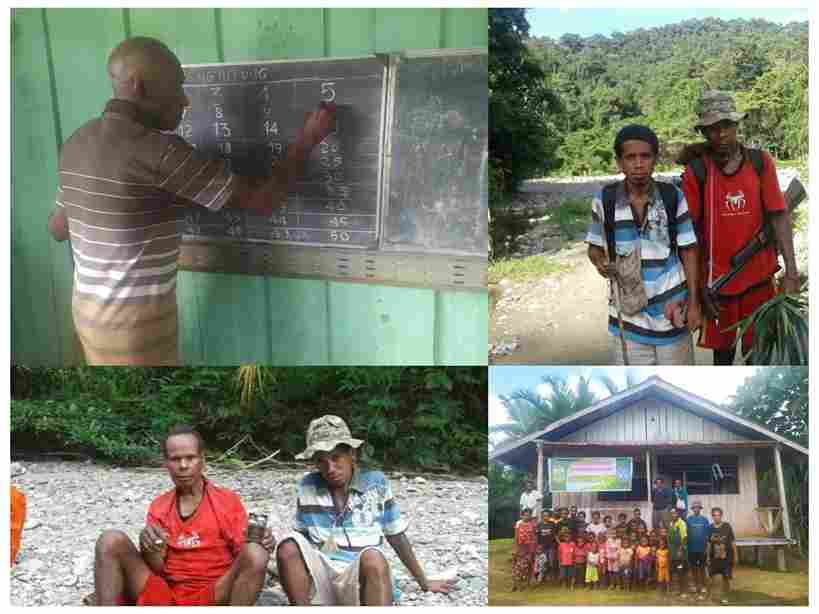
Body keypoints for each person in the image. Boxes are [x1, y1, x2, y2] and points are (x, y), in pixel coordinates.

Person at [46, 36, 336, 365]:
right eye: (176, 87)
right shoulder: (161, 153)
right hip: (135, 329)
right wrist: (308, 140)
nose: (184, 101)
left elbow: (57, 228)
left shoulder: (77, 143)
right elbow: (264, 201)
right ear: (139, 87)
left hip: (87, 314)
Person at [275, 415, 452, 605]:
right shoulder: (308, 485)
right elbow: (301, 538)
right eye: (321, 461)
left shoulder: (375, 484)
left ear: (352, 454)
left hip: (362, 576)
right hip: (323, 577)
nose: (330, 468)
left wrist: (423, 582)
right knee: (287, 546)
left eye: (336, 458)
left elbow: (396, 535)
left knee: (373, 557)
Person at [88, 425, 272, 606]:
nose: (183, 466)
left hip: (215, 593)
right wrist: (148, 548)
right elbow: (157, 569)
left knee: (256, 551)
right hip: (167, 593)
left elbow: (245, 558)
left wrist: (262, 541)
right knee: (110, 540)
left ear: (202, 460)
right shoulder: (159, 506)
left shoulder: (226, 501)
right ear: (166, 464)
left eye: (190, 458)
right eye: (175, 459)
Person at [679, 90, 800, 365]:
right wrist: (697, 290)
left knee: (759, 354)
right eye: (711, 129)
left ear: (736, 125)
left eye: (726, 126)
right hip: (718, 289)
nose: (720, 135)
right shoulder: (696, 172)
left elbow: (779, 215)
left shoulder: (760, 163)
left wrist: (791, 272)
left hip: (759, 282)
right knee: (722, 357)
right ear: (704, 131)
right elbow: (690, 238)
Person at [586, 124, 701, 365]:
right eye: (630, 157)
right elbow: (594, 248)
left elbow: (689, 250)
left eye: (645, 156)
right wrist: (601, 263)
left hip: (672, 313)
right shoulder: (604, 201)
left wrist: (693, 303)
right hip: (628, 319)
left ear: (655, 160)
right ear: (619, 162)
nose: (638, 164)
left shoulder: (672, 196)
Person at [707, 507, 737, 604]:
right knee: (712, 577)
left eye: (718, 515)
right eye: (714, 515)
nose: (716, 517)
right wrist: (707, 557)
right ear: (712, 517)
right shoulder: (710, 528)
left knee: (726, 578)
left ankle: (725, 597)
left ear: (721, 516)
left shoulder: (727, 526)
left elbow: (732, 542)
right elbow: (708, 544)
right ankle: (713, 595)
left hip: (726, 557)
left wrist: (736, 556)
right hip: (714, 558)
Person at [685, 501, 711, 600]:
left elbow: (708, 536)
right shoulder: (689, 520)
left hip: (702, 549)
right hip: (692, 549)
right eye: (694, 508)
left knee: (702, 569)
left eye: (698, 508)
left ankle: (703, 586)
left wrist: (707, 549)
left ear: (700, 509)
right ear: (692, 509)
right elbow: (686, 535)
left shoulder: (704, 520)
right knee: (694, 569)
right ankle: (696, 586)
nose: (696, 509)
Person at [667, 508, 688, 597]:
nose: (673, 515)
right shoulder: (671, 523)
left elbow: (685, 537)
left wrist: (680, 550)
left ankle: (683, 591)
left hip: (680, 552)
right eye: (672, 514)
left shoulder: (682, 523)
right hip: (672, 552)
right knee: (673, 571)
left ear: (678, 514)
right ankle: (676, 589)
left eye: (675, 513)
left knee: (681, 571)